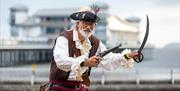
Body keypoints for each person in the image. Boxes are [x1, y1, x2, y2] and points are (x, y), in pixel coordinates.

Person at [48, 7, 139, 91]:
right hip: (59, 88)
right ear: (78, 23)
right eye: (85, 23)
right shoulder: (64, 38)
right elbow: (60, 61)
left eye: (91, 24)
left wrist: (127, 56)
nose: (88, 27)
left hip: (80, 88)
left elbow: (109, 60)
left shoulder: (94, 42)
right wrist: (85, 62)